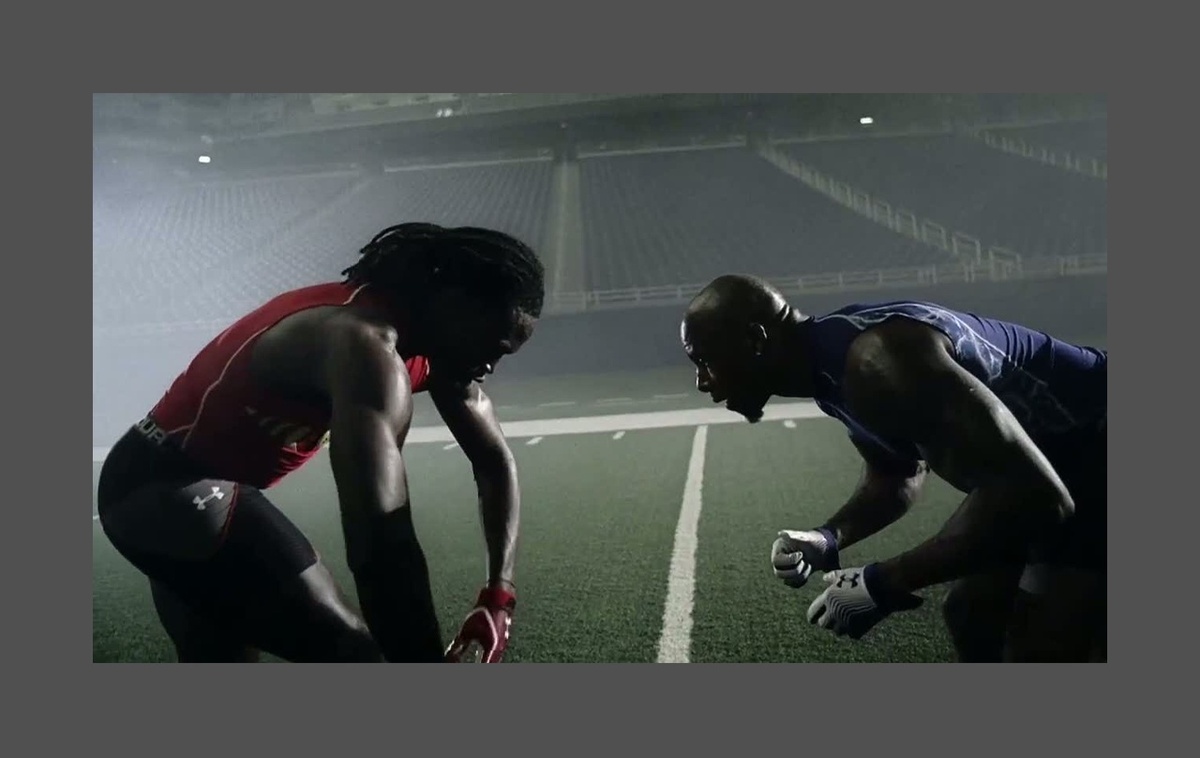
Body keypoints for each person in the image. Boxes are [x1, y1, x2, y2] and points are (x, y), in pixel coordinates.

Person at [96, 222, 544, 663]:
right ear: (455, 305)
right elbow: (379, 543)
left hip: (179, 494)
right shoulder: (362, 343)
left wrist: (498, 594)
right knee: (354, 653)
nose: (489, 367)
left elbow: (494, 461)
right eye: (493, 348)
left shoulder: (440, 347)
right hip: (167, 488)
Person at [679, 274, 1106, 662]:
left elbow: (1038, 497)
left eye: (705, 361)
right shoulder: (833, 363)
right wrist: (828, 538)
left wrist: (885, 581)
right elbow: (897, 473)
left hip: (1094, 446)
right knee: (973, 614)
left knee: (1044, 639)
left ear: (755, 340)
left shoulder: (878, 362)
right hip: (1065, 463)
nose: (702, 381)